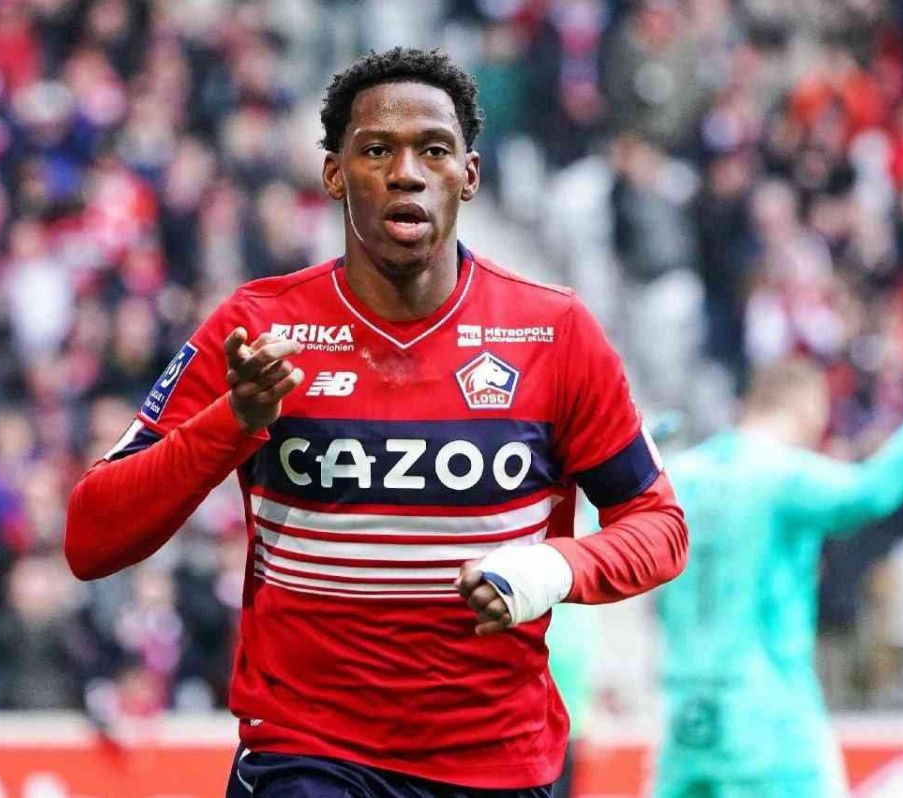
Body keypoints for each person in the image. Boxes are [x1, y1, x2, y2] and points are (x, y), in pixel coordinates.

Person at [65, 47, 689, 798]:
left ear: (470, 175)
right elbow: (90, 537)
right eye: (375, 150)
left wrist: (556, 568)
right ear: (334, 175)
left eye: (434, 150)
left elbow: (659, 525)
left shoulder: (553, 333)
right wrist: (234, 419)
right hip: (306, 755)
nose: (406, 173)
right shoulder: (257, 329)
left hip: (495, 762)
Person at [653, 344, 903, 798]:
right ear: (807, 409)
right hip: (768, 721)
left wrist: (619, 456)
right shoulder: (779, 474)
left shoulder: (680, 474)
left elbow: (614, 535)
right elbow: (870, 492)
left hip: (686, 716)